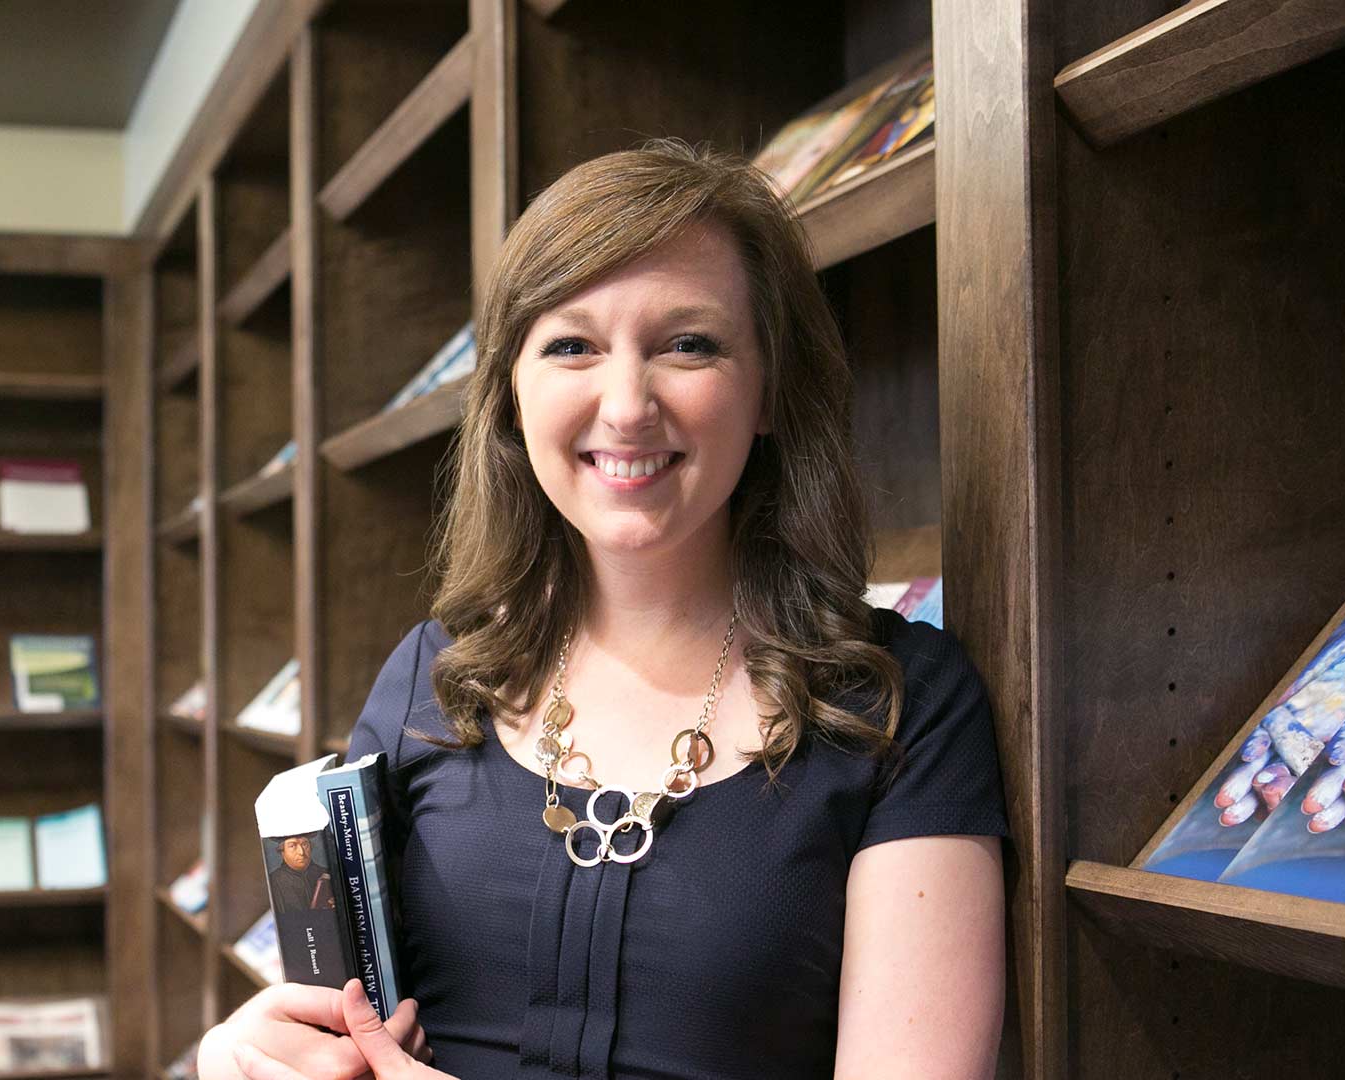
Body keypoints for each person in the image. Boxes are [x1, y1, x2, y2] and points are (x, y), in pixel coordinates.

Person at [199, 139, 1008, 1079]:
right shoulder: (432, 677)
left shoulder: (902, 705)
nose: (626, 405)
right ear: (510, 392)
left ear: (770, 389)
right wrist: (245, 1056)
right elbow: (340, 1024)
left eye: (687, 344)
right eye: (571, 345)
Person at [267, 833, 335, 914]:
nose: (301, 852)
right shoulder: (273, 881)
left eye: (304, 844)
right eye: (292, 846)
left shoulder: (327, 873)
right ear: (282, 851)